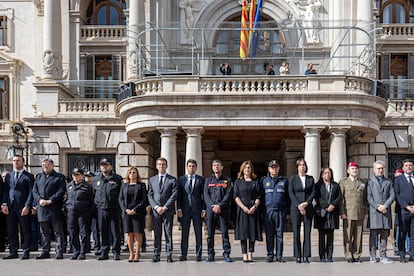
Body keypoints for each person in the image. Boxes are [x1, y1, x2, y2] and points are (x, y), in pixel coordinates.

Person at [1, 155, 35, 260]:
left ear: (23, 163)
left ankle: (26, 251)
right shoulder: (9, 176)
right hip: (10, 206)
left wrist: (27, 205)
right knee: (11, 230)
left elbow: (31, 192)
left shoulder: (28, 176)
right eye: (14, 160)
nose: (16, 162)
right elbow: (6, 190)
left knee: (25, 230)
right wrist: (4, 204)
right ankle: (13, 251)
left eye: (18, 161)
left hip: (23, 206)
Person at [32, 158, 66, 260]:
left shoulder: (59, 177)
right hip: (42, 208)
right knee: (44, 232)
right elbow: (34, 191)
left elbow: (61, 191)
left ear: (52, 165)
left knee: (58, 232)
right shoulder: (39, 177)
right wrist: (39, 200)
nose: (45, 167)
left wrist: (50, 200)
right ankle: (45, 251)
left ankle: (59, 251)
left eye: (47, 165)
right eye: (43, 165)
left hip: (54, 208)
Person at [148, 157, 178, 263]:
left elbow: (174, 194)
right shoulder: (152, 179)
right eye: (159, 164)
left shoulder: (172, 179)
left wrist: (165, 207)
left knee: (168, 233)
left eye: (163, 164)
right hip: (156, 211)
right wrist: (156, 207)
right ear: (156, 166)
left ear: (167, 166)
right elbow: (150, 195)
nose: (161, 166)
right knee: (157, 233)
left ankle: (169, 254)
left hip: (167, 210)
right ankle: (156, 254)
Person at [93, 158, 123, 261]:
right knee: (103, 231)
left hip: (113, 209)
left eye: (106, 165)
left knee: (115, 232)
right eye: (102, 165)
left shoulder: (117, 179)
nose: (104, 166)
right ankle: (104, 252)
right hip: (101, 209)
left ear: (111, 166)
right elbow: (94, 194)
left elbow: (121, 195)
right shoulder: (96, 179)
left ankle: (116, 252)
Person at [204, 159, 233, 262]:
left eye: (218, 165)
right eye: (214, 165)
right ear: (212, 168)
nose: (216, 167)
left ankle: (226, 254)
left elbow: (228, 195)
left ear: (222, 167)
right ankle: (210, 254)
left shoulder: (227, 180)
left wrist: (220, 205)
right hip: (211, 210)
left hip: (223, 210)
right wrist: (213, 205)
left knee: (224, 233)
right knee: (210, 234)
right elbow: (206, 195)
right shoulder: (208, 181)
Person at [261, 160, 289, 263]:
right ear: (269, 169)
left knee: (279, 234)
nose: (274, 169)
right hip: (268, 211)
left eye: (276, 167)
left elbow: (287, 198)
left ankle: (279, 255)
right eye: (272, 167)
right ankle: (270, 254)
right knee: (269, 234)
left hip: (280, 211)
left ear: (279, 168)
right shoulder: (264, 181)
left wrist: (287, 212)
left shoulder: (284, 181)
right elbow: (261, 197)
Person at [234, 160, 262, 262]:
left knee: (252, 232)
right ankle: (244, 254)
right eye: (245, 167)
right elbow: (236, 196)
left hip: (253, 209)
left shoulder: (256, 181)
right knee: (243, 232)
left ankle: (250, 253)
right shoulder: (238, 182)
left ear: (251, 169)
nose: (247, 169)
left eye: (249, 167)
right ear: (242, 169)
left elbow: (259, 196)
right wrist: (243, 207)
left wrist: (254, 207)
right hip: (242, 209)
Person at [177, 159, 205, 262]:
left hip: (197, 209)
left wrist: (204, 209)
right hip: (185, 210)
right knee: (185, 233)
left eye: (193, 166)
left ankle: (198, 254)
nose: (191, 168)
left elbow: (204, 196)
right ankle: (183, 254)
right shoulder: (181, 179)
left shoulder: (201, 179)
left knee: (198, 233)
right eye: (190, 166)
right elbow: (179, 196)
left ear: (196, 168)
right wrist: (179, 208)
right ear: (187, 167)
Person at [367, 160, 394, 264]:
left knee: (384, 234)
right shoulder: (370, 182)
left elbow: (392, 194)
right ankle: (372, 255)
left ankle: (383, 255)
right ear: (374, 170)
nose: (380, 170)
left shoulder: (388, 181)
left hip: (385, 211)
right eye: (378, 168)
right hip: (375, 211)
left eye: (382, 168)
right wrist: (377, 206)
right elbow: (369, 197)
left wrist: (385, 205)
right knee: (373, 234)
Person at [339, 161, 367, 263]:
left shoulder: (362, 182)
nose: (354, 170)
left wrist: (366, 211)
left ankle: (357, 254)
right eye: (352, 169)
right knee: (348, 235)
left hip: (360, 212)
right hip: (348, 212)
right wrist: (342, 212)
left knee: (358, 235)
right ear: (348, 171)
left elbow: (365, 199)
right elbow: (341, 199)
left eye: (356, 169)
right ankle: (348, 254)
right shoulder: (343, 182)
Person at [289, 158, 316, 263]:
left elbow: (313, 192)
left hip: (308, 208)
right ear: (297, 167)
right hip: (295, 209)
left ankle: (306, 255)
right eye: (300, 165)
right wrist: (299, 205)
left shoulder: (310, 179)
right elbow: (291, 193)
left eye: (304, 165)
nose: (302, 167)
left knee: (307, 232)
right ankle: (297, 255)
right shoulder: (292, 179)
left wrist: (306, 203)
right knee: (296, 232)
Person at [118, 167, 148, 262]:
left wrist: (135, 210)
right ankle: (131, 253)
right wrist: (125, 209)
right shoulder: (124, 185)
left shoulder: (141, 185)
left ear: (137, 174)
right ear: (128, 174)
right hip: (127, 213)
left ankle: (137, 253)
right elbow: (120, 199)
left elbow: (144, 200)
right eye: (130, 172)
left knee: (138, 233)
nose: (132, 174)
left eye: (134, 172)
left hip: (138, 213)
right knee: (129, 234)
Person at [313, 166, 341, 263]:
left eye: (328, 173)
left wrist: (332, 205)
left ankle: (329, 256)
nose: (327, 175)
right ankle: (322, 256)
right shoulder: (317, 186)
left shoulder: (336, 185)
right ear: (321, 175)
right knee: (321, 237)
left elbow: (339, 197)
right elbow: (317, 197)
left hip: (332, 214)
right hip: (321, 213)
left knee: (330, 236)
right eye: (325, 173)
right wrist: (326, 206)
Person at [65, 168, 94, 260]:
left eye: (77, 175)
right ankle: (75, 251)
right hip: (71, 212)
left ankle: (83, 251)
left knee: (84, 233)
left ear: (82, 176)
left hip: (83, 213)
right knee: (73, 232)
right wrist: (66, 207)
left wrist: (88, 211)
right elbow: (65, 198)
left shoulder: (87, 187)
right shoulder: (69, 186)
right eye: (74, 175)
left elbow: (92, 201)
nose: (75, 176)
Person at [394, 159, 414, 263]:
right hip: (403, 211)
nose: (408, 167)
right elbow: (397, 195)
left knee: (413, 234)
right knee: (402, 233)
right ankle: (402, 254)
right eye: (406, 165)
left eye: (410, 165)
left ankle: (412, 254)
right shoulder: (398, 179)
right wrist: (406, 206)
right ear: (403, 168)